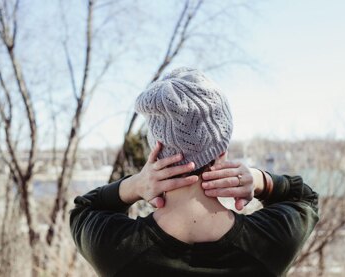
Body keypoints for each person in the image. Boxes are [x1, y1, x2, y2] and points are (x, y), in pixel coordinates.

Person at [70, 68, 319, 277]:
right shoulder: (269, 242)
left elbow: (85, 208)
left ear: (156, 152)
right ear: (222, 151)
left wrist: (135, 185)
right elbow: (304, 197)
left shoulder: (116, 249)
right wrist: (258, 180)